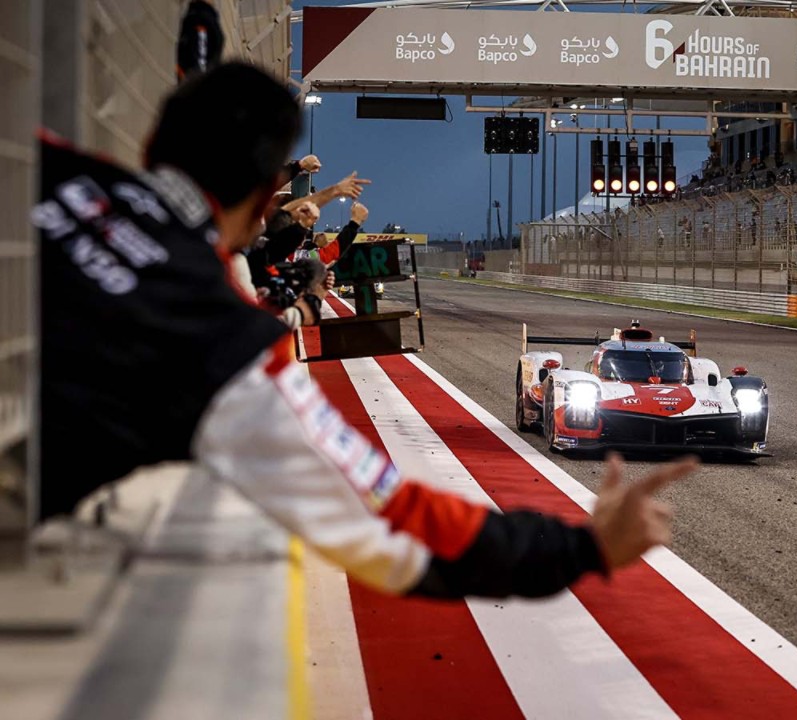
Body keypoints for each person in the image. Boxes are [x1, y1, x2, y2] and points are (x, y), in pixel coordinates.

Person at [33, 62, 696, 602]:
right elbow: (393, 522)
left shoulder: (40, 164)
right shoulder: (224, 345)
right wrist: (581, 547)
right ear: (268, 194)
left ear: (153, 145)